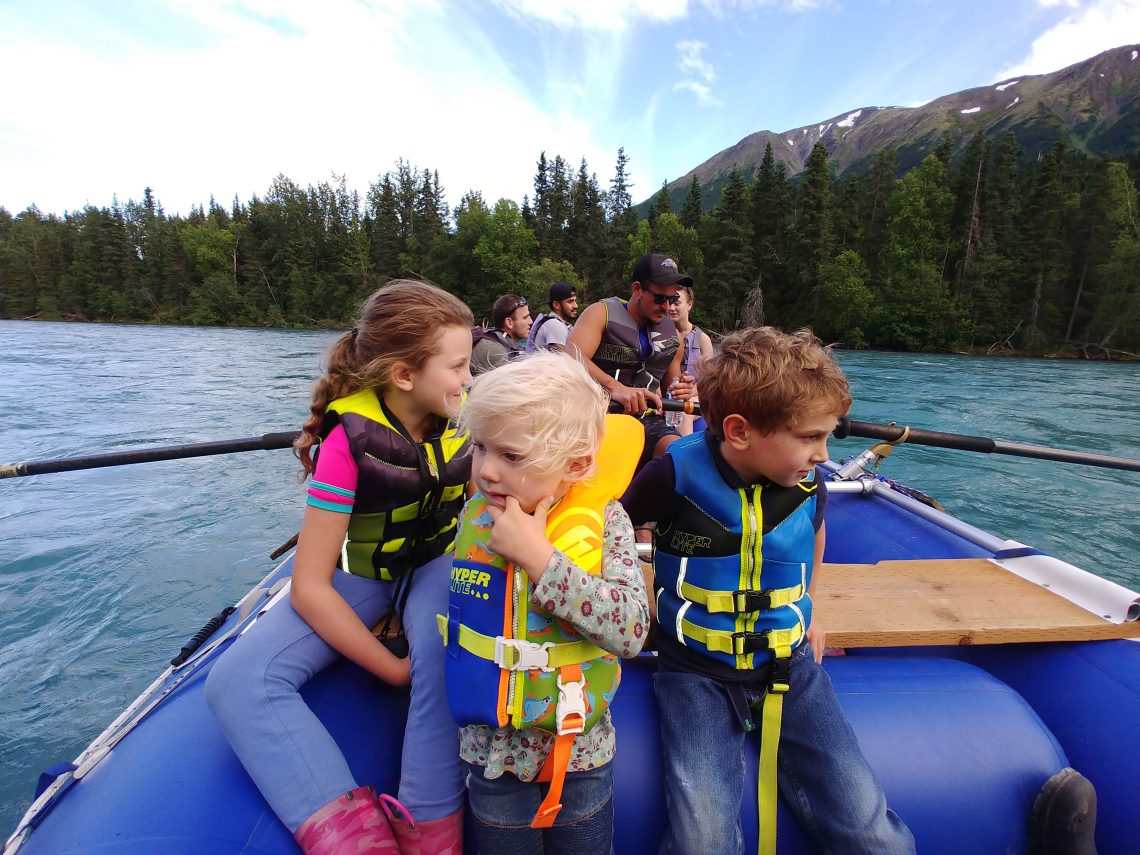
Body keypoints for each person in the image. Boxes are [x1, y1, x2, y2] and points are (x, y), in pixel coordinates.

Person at [621, 327, 915, 855]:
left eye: (827, 437)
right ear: (739, 431)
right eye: (809, 438)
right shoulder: (671, 474)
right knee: (702, 843)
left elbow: (814, 531)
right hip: (695, 671)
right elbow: (613, 528)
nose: (823, 455)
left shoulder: (807, 481)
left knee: (876, 837)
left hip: (791, 665)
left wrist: (809, 611)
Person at [205, 280, 474, 855]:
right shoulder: (346, 441)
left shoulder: (467, 423)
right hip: (364, 576)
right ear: (404, 375)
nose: (469, 379)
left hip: (435, 563)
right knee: (238, 681)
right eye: (458, 366)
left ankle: (432, 830)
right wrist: (388, 668)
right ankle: (356, 841)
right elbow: (308, 586)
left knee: (440, 651)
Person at [441, 351, 650, 854]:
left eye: (512, 456)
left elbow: (632, 630)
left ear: (575, 465)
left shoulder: (607, 522)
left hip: (581, 752)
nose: (488, 471)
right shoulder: (473, 516)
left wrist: (541, 561)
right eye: (481, 448)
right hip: (492, 756)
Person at [566, 252, 693, 465]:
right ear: (637, 289)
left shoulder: (675, 338)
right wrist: (615, 387)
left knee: (677, 456)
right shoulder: (600, 313)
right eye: (660, 298)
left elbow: (673, 386)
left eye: (671, 299)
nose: (666, 307)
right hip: (597, 417)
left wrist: (682, 390)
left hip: (647, 421)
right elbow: (572, 357)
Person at [666, 284, 714, 436]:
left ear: (689, 304)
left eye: (677, 303)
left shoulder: (702, 340)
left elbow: (708, 378)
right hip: (668, 394)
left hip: (696, 394)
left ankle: (683, 455)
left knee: (684, 410)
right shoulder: (659, 335)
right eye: (669, 303)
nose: (671, 308)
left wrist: (687, 392)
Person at [471, 294, 533, 375]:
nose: (531, 321)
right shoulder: (496, 351)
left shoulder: (501, 342)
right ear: (509, 322)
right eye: (525, 317)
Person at [526, 281, 579, 352]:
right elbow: (563, 361)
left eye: (575, 301)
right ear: (556, 305)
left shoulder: (552, 322)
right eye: (570, 301)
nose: (576, 306)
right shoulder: (555, 325)